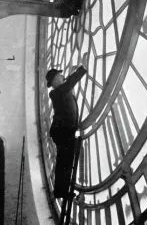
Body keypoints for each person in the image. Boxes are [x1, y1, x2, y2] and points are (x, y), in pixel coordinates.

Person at [46, 65, 87, 199]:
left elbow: (68, 81)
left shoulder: (59, 90)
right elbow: (70, 82)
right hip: (63, 132)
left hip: (64, 132)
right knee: (65, 163)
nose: (62, 77)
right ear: (54, 82)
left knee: (65, 162)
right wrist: (83, 68)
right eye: (59, 76)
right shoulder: (57, 92)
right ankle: (61, 191)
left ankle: (61, 191)